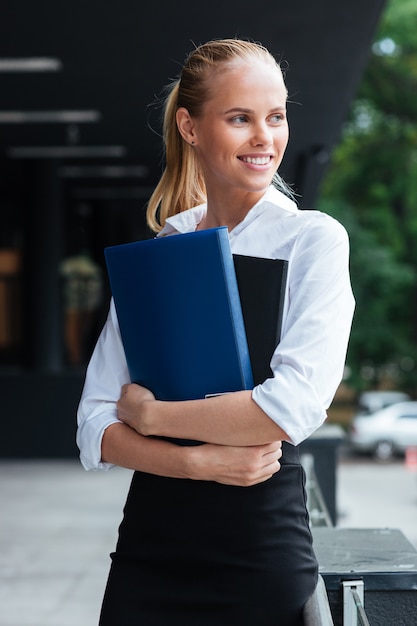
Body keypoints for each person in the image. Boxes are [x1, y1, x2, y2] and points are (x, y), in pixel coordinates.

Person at [77, 38, 355, 625]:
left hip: (257, 560)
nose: (265, 137)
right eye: (240, 118)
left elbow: (289, 409)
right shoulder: (164, 250)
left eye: (275, 117)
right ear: (191, 126)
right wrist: (197, 463)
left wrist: (154, 420)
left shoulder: (311, 240)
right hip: (148, 557)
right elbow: (95, 423)